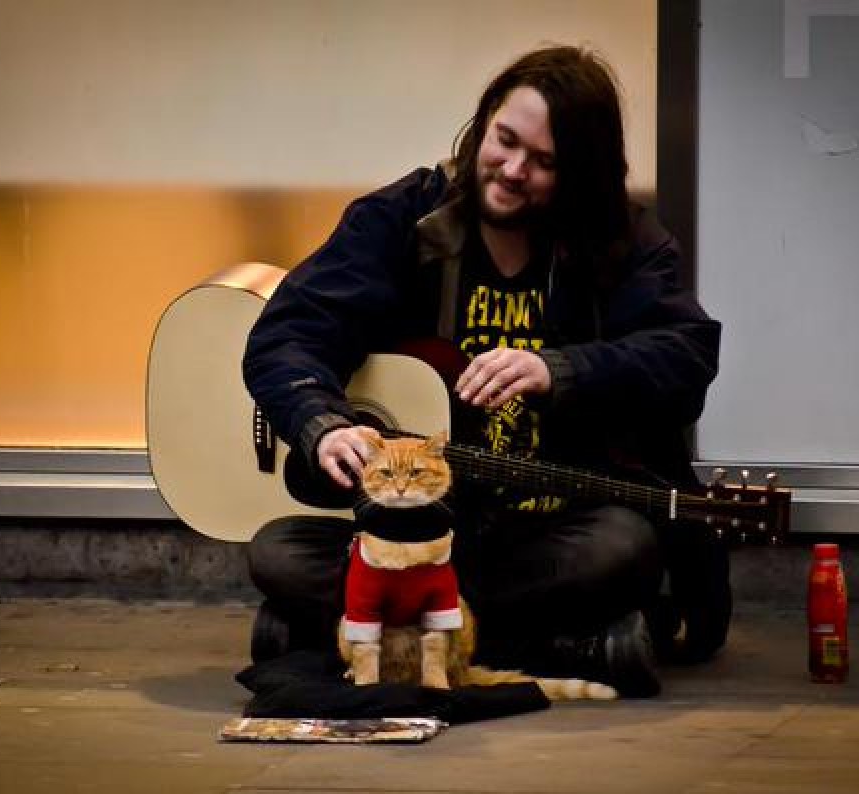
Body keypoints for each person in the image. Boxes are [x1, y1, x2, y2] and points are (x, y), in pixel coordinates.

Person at [241, 46, 728, 697]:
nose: (513, 169)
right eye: (505, 141)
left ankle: (378, 635)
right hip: (414, 536)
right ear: (483, 122)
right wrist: (320, 424)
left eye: (545, 162)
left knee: (620, 548)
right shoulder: (402, 220)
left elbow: (687, 354)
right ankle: (561, 646)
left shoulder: (622, 244)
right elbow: (288, 334)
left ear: (579, 172)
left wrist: (560, 369)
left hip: (545, 534)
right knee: (278, 551)